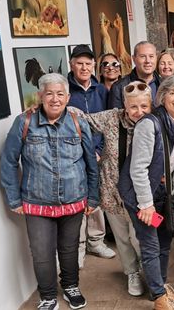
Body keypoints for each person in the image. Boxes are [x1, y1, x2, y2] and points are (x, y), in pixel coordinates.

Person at [0, 73, 99, 310]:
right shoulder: (24, 122)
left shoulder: (78, 121)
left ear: (67, 97)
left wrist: (93, 196)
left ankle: (71, 286)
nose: (55, 99)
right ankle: (47, 295)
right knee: (42, 253)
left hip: (74, 199)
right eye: (49, 93)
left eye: (60, 94)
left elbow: (90, 163)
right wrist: (14, 198)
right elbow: (8, 161)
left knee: (69, 248)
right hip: (37, 201)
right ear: (40, 96)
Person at [118, 75, 174, 310]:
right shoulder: (148, 124)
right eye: (173, 93)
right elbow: (138, 169)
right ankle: (159, 296)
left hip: (165, 191)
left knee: (164, 243)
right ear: (162, 96)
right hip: (141, 192)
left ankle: (159, 287)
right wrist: (146, 204)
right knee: (149, 244)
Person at [77, 81, 153, 297]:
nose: (139, 112)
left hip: (141, 195)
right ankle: (131, 272)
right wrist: (52, 105)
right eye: (133, 107)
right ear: (125, 106)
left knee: (141, 237)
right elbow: (84, 118)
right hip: (112, 190)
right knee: (122, 237)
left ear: (150, 105)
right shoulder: (112, 117)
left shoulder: (154, 123)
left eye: (144, 106)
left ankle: (151, 272)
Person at [67, 45, 116, 268]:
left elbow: (108, 122)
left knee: (96, 196)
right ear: (71, 64)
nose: (84, 67)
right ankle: (79, 245)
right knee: (77, 198)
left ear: (93, 65)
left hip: (97, 152)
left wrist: (100, 149)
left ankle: (96, 240)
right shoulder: (65, 90)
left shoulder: (101, 90)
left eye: (88, 63)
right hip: (73, 154)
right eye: (80, 63)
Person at [109, 41, 161, 109]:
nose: (148, 61)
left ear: (156, 58)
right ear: (134, 59)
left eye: (151, 56)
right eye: (143, 56)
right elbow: (115, 117)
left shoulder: (164, 84)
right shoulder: (118, 88)